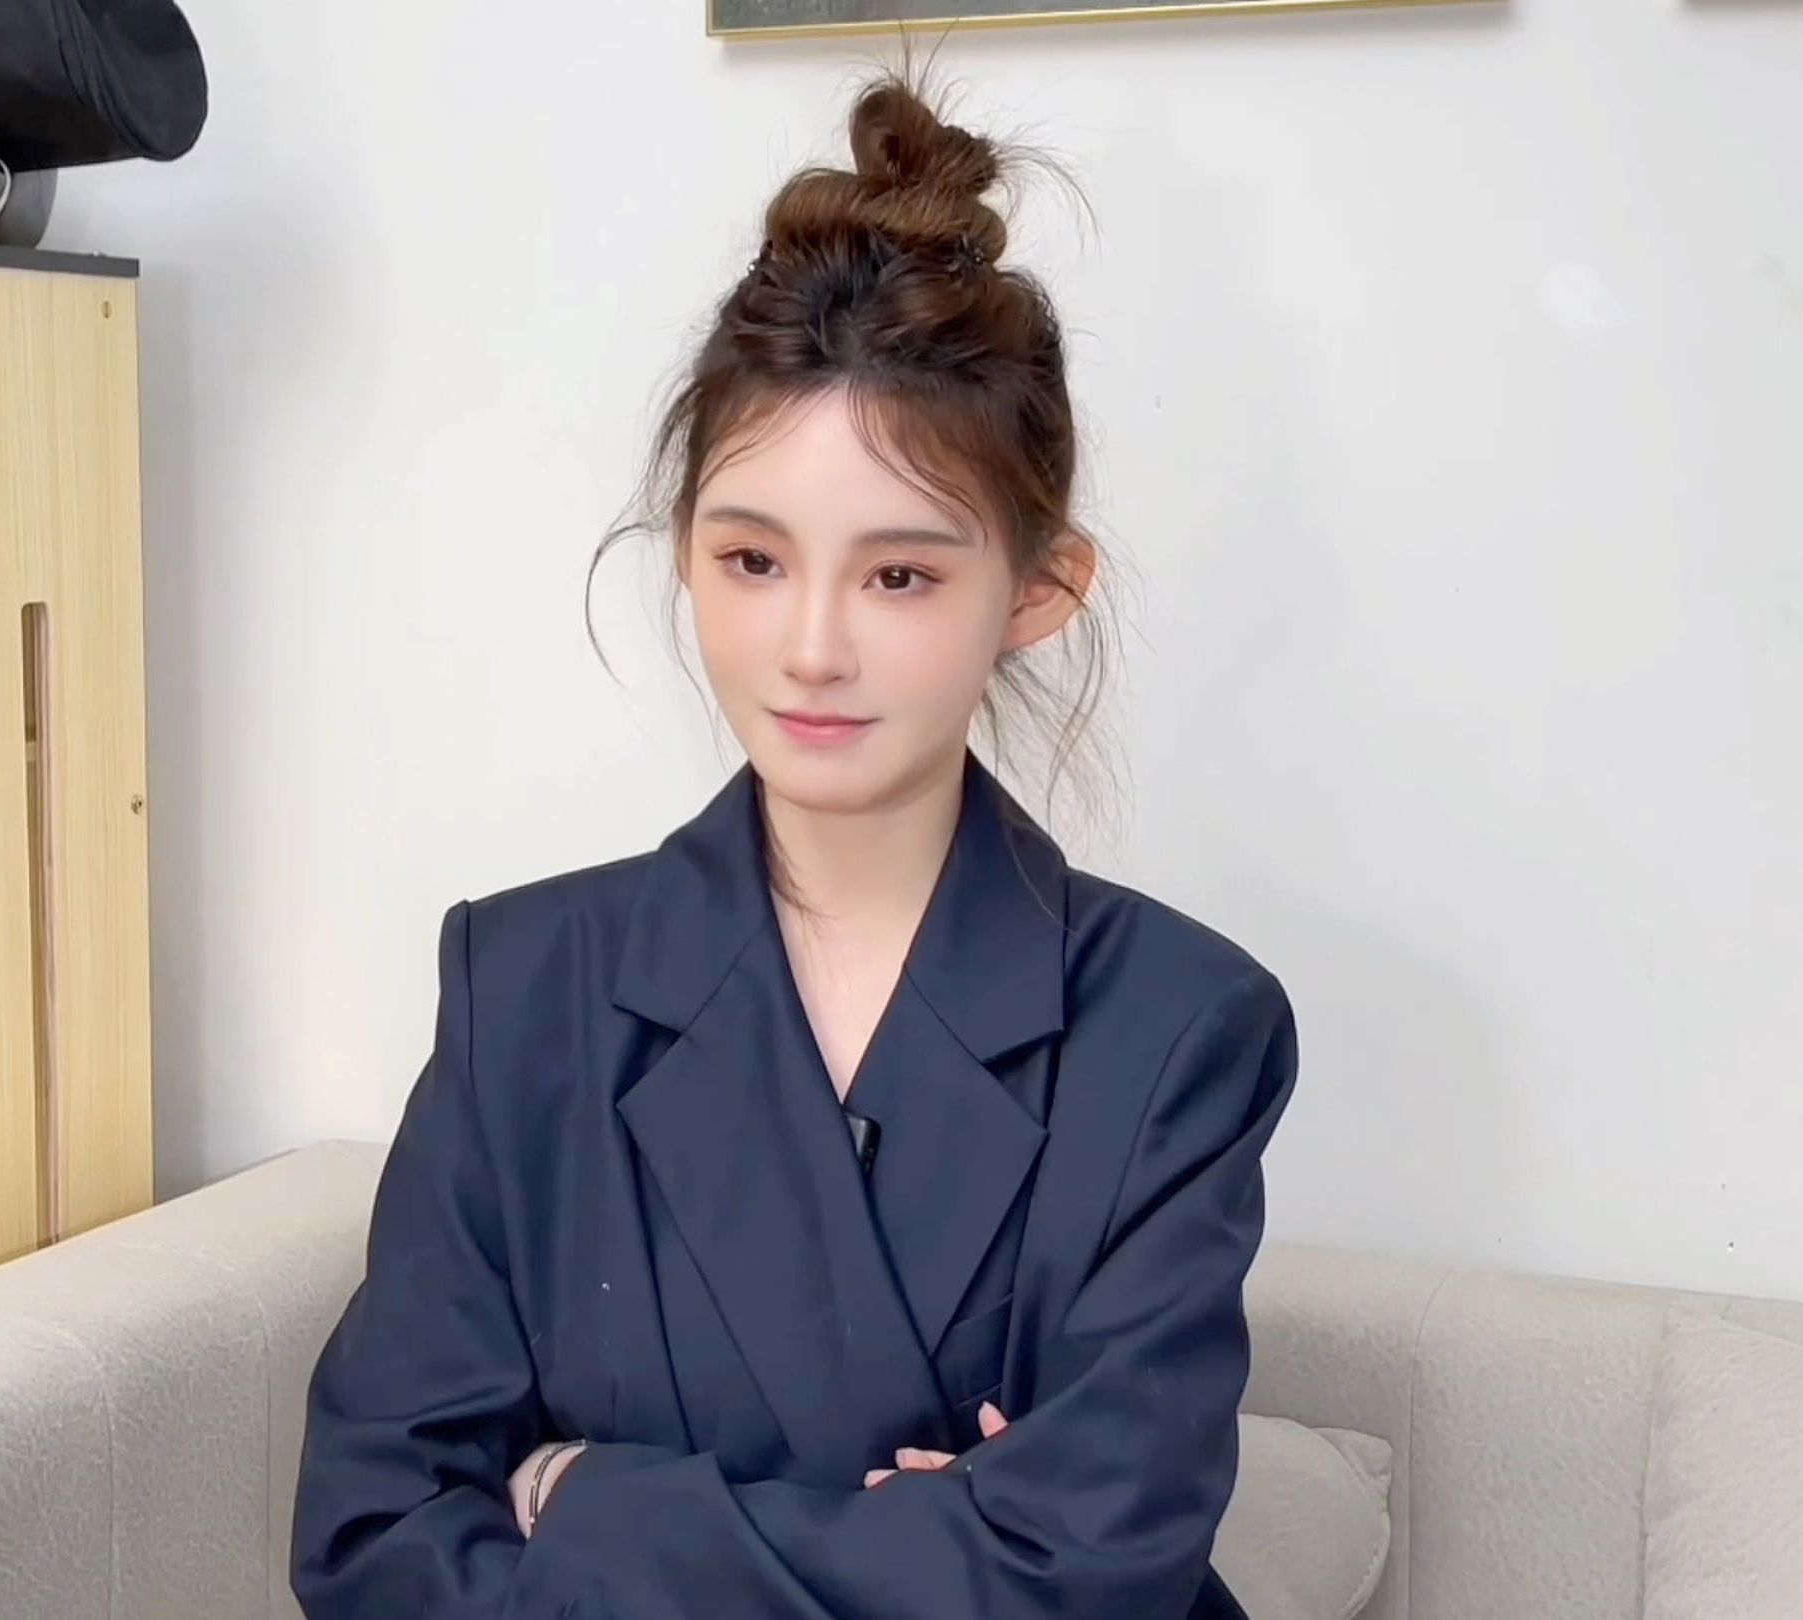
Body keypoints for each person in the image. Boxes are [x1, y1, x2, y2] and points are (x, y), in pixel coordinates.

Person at [289, 66, 1297, 1620]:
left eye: (899, 577)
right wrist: (931, 1549)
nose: (810, 649)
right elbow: (373, 1543)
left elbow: (1090, 1574)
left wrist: (592, 1501)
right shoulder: (524, 987)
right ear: (683, 553)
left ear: (1038, 592)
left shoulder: (1179, 1028)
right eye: (752, 559)